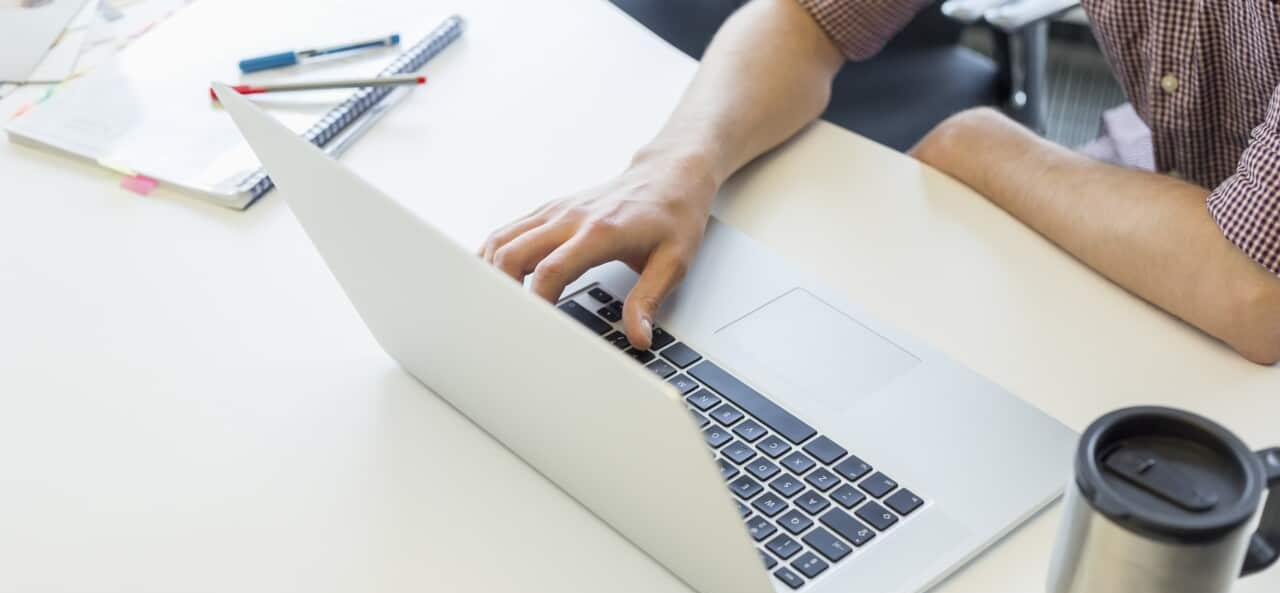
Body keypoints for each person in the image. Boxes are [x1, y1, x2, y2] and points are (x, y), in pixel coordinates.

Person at [480, 0, 1280, 365]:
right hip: (1180, 208)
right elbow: (807, 17)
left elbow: (1255, 293)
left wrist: (982, 145)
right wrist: (674, 167)